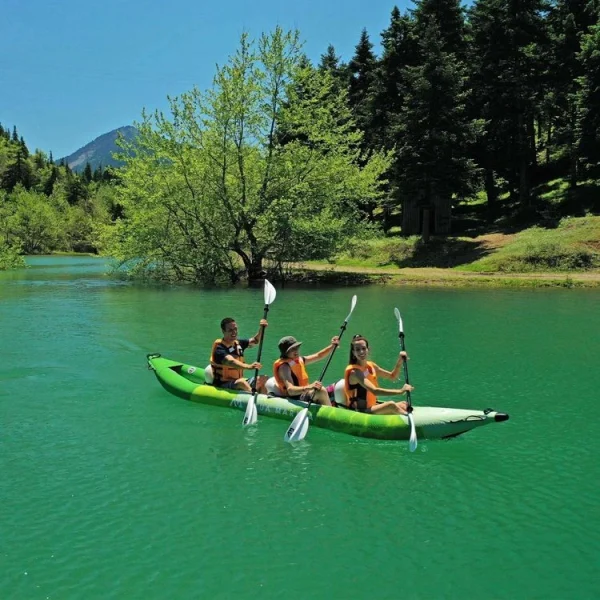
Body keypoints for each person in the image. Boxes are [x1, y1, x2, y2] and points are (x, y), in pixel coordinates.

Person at [344, 334, 414, 414]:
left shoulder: (371, 366)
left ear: (368, 349)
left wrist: (399, 362)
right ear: (353, 352)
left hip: (373, 405)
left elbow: (392, 376)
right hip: (361, 411)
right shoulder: (355, 372)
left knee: (404, 404)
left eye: (363, 348)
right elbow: (375, 391)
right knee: (391, 405)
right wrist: (401, 391)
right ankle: (409, 420)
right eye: (357, 349)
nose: (361, 352)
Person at [273, 335, 340, 406]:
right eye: (292, 349)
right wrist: (310, 387)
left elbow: (318, 355)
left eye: (297, 347)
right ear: (285, 352)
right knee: (321, 390)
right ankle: (329, 412)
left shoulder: (299, 360)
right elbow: (290, 390)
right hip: (295, 398)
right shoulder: (284, 367)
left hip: (304, 393)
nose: (296, 351)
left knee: (334, 388)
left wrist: (332, 346)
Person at [210, 317, 268, 393]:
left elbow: (255, 340)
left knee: (263, 378)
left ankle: (265, 398)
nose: (234, 332)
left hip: (238, 380)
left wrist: (262, 328)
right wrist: (249, 366)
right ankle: (253, 396)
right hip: (223, 384)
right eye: (230, 330)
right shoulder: (219, 348)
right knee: (242, 382)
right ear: (223, 331)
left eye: (235, 329)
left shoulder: (238, 343)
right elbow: (230, 361)